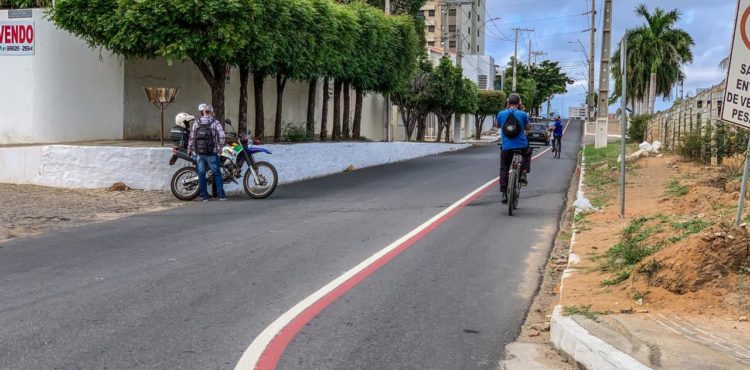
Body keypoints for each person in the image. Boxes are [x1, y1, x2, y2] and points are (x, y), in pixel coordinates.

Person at [496, 94, 532, 204]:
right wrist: (523, 113)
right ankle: (523, 173)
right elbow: (528, 127)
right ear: (519, 103)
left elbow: (498, 126)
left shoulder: (501, 114)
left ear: (508, 103)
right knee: (528, 152)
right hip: (521, 145)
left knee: (504, 168)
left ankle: (503, 194)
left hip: (506, 146)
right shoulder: (522, 114)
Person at [188, 104, 227, 202]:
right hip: (211, 152)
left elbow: (192, 137)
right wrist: (220, 147)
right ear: (212, 112)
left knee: (201, 174)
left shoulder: (197, 122)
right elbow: (222, 136)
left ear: (203, 111)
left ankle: (204, 196)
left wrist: (190, 149)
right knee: (217, 173)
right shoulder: (215, 122)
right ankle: (221, 196)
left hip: (199, 153)